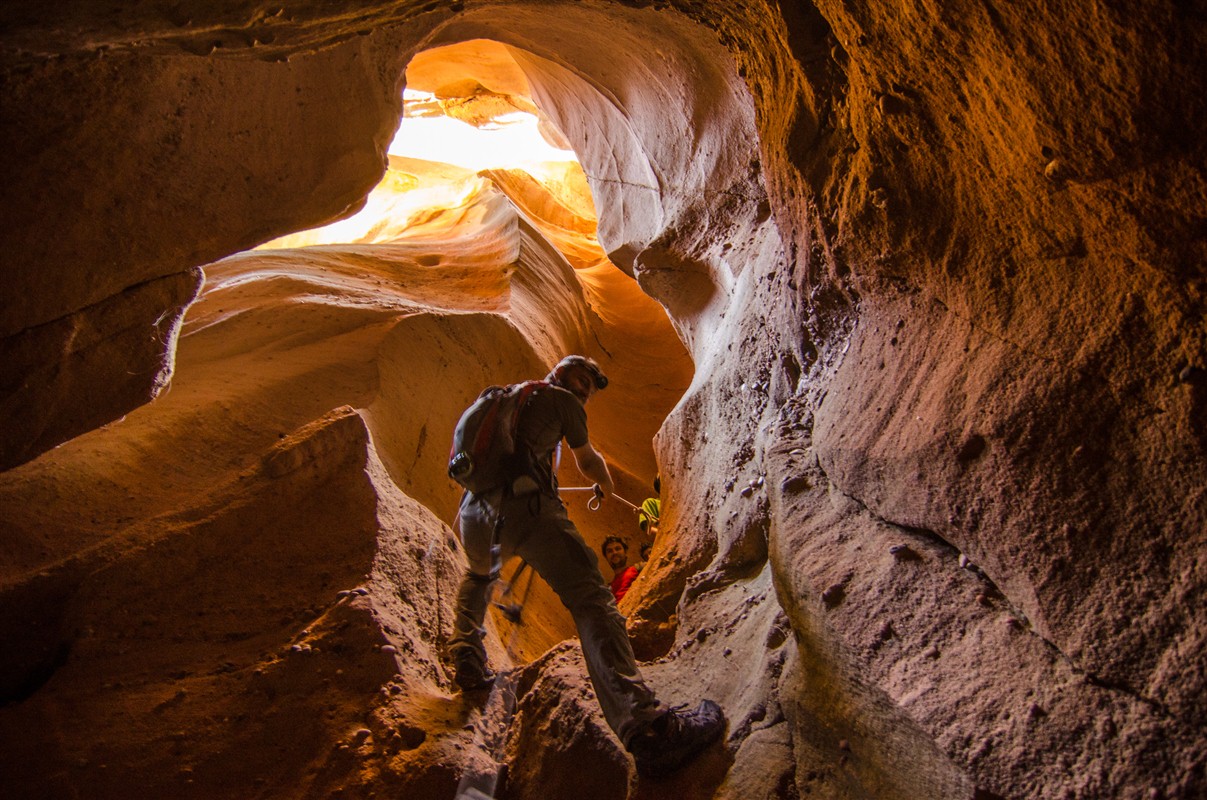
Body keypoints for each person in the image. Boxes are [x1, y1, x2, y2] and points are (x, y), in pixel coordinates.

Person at [448, 355, 725, 777]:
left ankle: (467, 655)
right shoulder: (560, 400)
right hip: (528, 507)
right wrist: (605, 484)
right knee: (592, 600)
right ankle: (647, 728)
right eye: (582, 381)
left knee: (479, 576)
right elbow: (587, 460)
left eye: (589, 389)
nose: (585, 393)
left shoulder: (508, 399)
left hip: (475, 513)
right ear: (560, 375)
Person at [603, 535, 640, 603]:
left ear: (625, 552)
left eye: (618, 548)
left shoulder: (639, 569)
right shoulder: (608, 590)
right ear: (606, 557)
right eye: (610, 551)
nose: (614, 552)